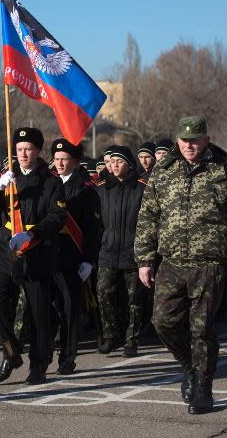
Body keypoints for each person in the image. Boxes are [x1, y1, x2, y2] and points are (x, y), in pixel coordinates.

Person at [135, 116, 227, 415]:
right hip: (171, 262)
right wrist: (145, 259)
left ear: (206, 139)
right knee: (163, 321)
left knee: (202, 329)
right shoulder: (163, 171)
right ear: (177, 140)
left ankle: (203, 385)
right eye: (185, 140)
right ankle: (188, 365)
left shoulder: (225, 171)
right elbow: (148, 217)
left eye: (196, 139)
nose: (190, 145)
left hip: (209, 263)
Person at [0, 127, 66, 385]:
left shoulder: (51, 182)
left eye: (28, 149)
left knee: (38, 311)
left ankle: (39, 364)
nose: (23, 154)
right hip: (5, 250)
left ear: (38, 151)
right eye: (19, 150)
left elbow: (58, 217)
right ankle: (10, 353)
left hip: (36, 251)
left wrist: (33, 235)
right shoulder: (8, 177)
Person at [51, 139, 101, 374]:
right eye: (57, 159)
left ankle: (68, 357)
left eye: (64, 159)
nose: (59, 163)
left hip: (73, 256)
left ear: (75, 162)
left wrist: (89, 260)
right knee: (49, 308)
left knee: (70, 309)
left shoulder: (85, 190)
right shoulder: (48, 185)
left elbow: (93, 228)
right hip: (48, 255)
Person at [96, 146, 145, 357]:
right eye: (111, 161)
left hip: (133, 252)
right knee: (104, 292)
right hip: (108, 251)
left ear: (129, 163)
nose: (114, 166)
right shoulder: (103, 187)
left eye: (119, 161)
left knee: (134, 299)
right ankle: (111, 334)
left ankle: (131, 340)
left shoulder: (141, 188)